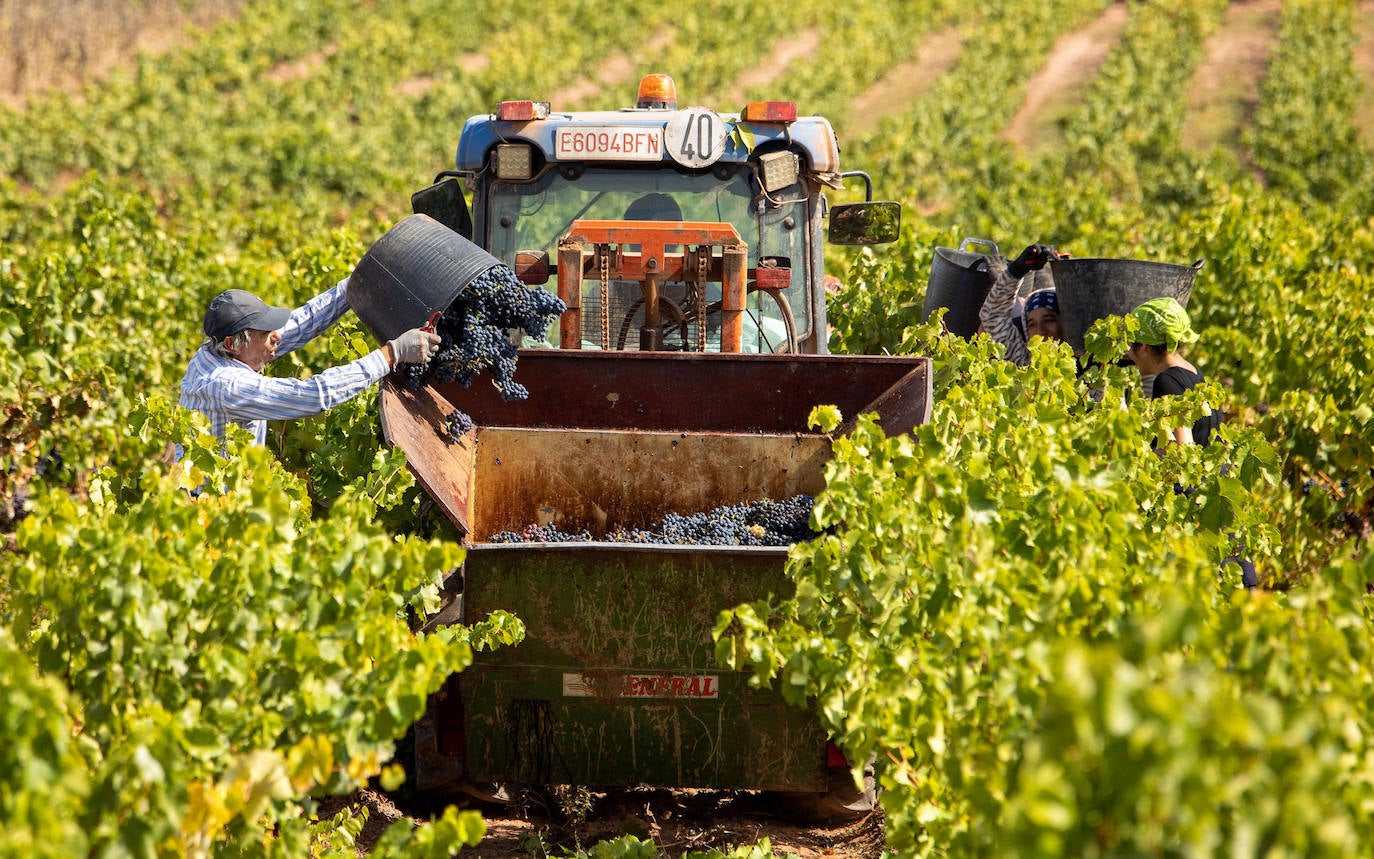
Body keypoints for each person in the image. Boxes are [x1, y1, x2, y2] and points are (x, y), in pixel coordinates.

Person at [179, 282, 440, 445]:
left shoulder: (214, 352)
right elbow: (315, 396)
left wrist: (356, 285)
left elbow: (302, 322)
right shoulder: (226, 386)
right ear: (232, 344)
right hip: (217, 514)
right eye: (265, 333)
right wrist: (392, 353)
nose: (278, 336)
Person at [1123, 297, 1220, 447]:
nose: (1128, 353)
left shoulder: (1167, 382)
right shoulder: (1194, 373)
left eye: (1130, 345)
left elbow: (1179, 448)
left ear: (1143, 347)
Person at [979, 243, 1068, 365]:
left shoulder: (1085, 359)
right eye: (1031, 325)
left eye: (1048, 320)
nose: (1040, 331)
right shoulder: (1023, 360)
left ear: (1065, 323)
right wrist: (1016, 270)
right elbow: (992, 316)